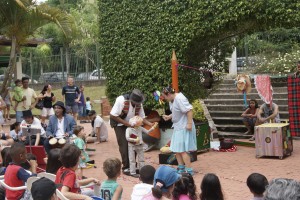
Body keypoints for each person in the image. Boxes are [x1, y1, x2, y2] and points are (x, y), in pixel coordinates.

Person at [110, 89, 153, 174]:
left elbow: (142, 117)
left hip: (132, 124)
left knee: (135, 143)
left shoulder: (139, 104)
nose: (138, 104)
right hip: (119, 124)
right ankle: (126, 167)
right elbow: (113, 115)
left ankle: (132, 166)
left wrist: (150, 124)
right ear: (132, 100)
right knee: (124, 145)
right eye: (137, 103)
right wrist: (127, 124)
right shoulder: (121, 100)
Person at [161, 86, 197, 175]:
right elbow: (177, 111)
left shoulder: (180, 98)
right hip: (178, 126)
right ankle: (181, 167)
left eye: (164, 97)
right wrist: (169, 116)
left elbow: (189, 110)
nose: (164, 99)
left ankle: (189, 170)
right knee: (176, 149)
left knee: (183, 150)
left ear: (169, 94)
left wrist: (189, 124)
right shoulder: (172, 100)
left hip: (184, 126)